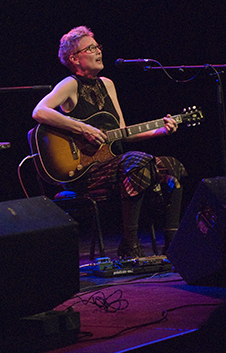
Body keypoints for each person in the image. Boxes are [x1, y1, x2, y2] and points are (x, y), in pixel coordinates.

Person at [32, 26, 186, 258]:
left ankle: (173, 247)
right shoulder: (70, 84)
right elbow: (39, 111)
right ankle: (130, 246)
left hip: (118, 168)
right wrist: (83, 128)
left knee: (171, 166)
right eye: (91, 48)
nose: (98, 51)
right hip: (86, 174)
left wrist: (160, 131)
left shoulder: (108, 84)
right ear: (74, 58)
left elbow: (123, 133)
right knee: (138, 162)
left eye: (98, 47)